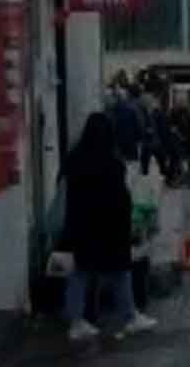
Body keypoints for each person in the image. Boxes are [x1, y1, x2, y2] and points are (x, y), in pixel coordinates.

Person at [61, 113, 157, 342]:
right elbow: (120, 200)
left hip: (82, 226)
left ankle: (76, 322)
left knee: (80, 273)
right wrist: (129, 227)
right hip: (109, 229)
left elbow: (70, 197)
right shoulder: (112, 164)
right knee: (120, 273)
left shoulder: (74, 160)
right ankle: (130, 316)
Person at [170, 100, 190, 189]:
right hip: (182, 140)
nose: (183, 103)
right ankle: (178, 180)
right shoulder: (175, 113)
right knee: (179, 160)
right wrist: (181, 137)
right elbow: (173, 128)